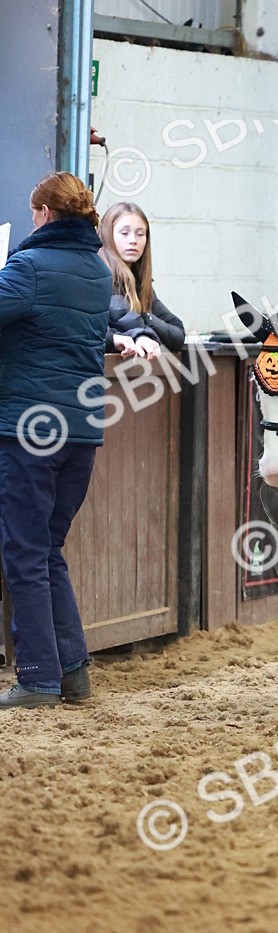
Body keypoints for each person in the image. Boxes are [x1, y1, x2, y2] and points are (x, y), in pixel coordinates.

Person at [0, 172, 112, 708]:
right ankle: (73, 671)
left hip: (29, 431)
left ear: (44, 213)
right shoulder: (97, 269)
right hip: (82, 434)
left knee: (24, 553)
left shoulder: (27, 268)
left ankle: (39, 677)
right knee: (47, 551)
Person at [98, 202, 185, 359]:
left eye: (140, 234)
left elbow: (177, 334)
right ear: (108, 236)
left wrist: (145, 317)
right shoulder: (100, 278)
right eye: (124, 233)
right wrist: (141, 332)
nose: (133, 240)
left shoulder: (140, 284)